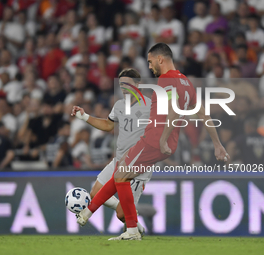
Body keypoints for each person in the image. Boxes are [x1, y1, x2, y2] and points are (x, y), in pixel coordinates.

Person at [75, 43, 229, 240]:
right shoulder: (185, 82)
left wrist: (163, 138)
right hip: (165, 142)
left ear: (160, 59)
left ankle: (121, 226)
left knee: (121, 174)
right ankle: (114, 224)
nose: (149, 66)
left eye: (150, 61)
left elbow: (173, 109)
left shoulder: (166, 80)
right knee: (121, 173)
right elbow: (202, 113)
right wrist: (217, 144)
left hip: (155, 139)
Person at [71, 68, 152, 236]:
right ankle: (134, 225)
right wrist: (85, 117)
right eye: (122, 84)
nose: (124, 88)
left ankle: (132, 223)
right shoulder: (119, 105)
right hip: (119, 160)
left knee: (121, 214)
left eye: (128, 84)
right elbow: (108, 125)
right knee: (95, 193)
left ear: (139, 85)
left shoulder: (151, 105)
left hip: (138, 165)